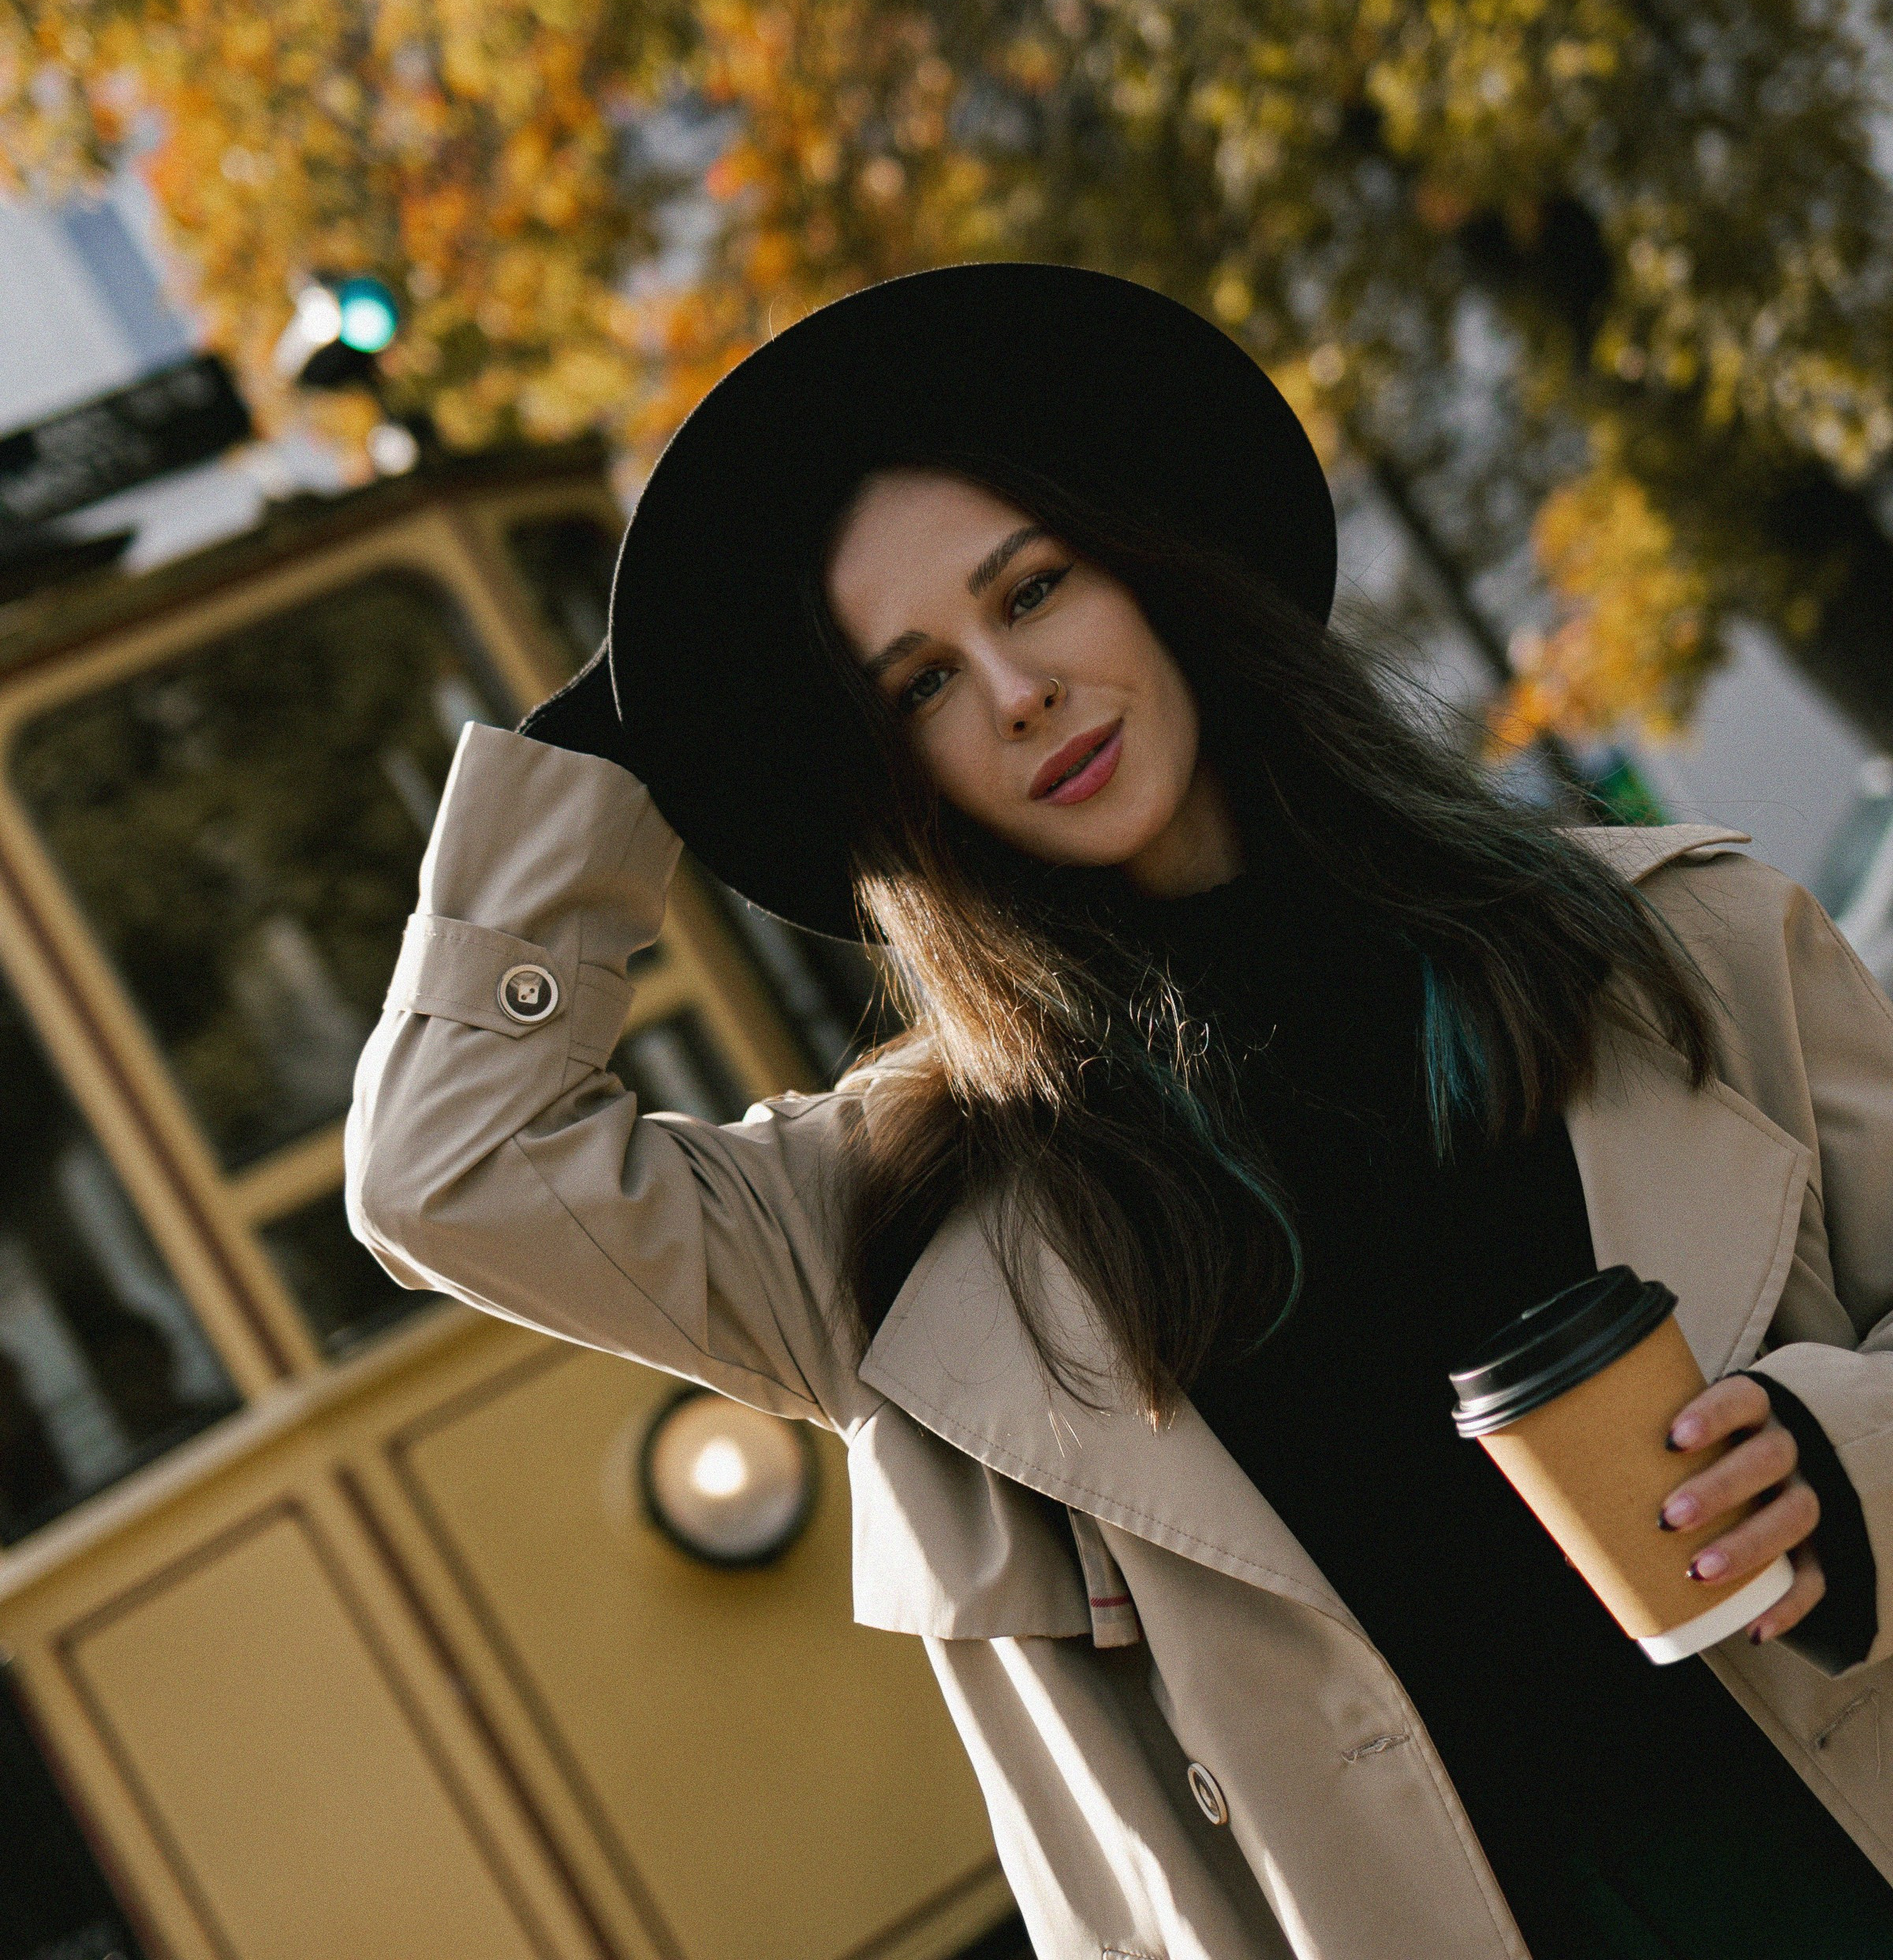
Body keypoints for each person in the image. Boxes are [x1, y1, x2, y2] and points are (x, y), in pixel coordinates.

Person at [346, 264, 1893, 1960]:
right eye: (915, 687)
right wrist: (639, 718)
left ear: (1151, 574)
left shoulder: (1674, 946)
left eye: (1035, 591)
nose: (1014, 693)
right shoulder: (891, 1220)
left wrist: (1845, 1460)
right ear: (885, 772)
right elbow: (447, 1171)